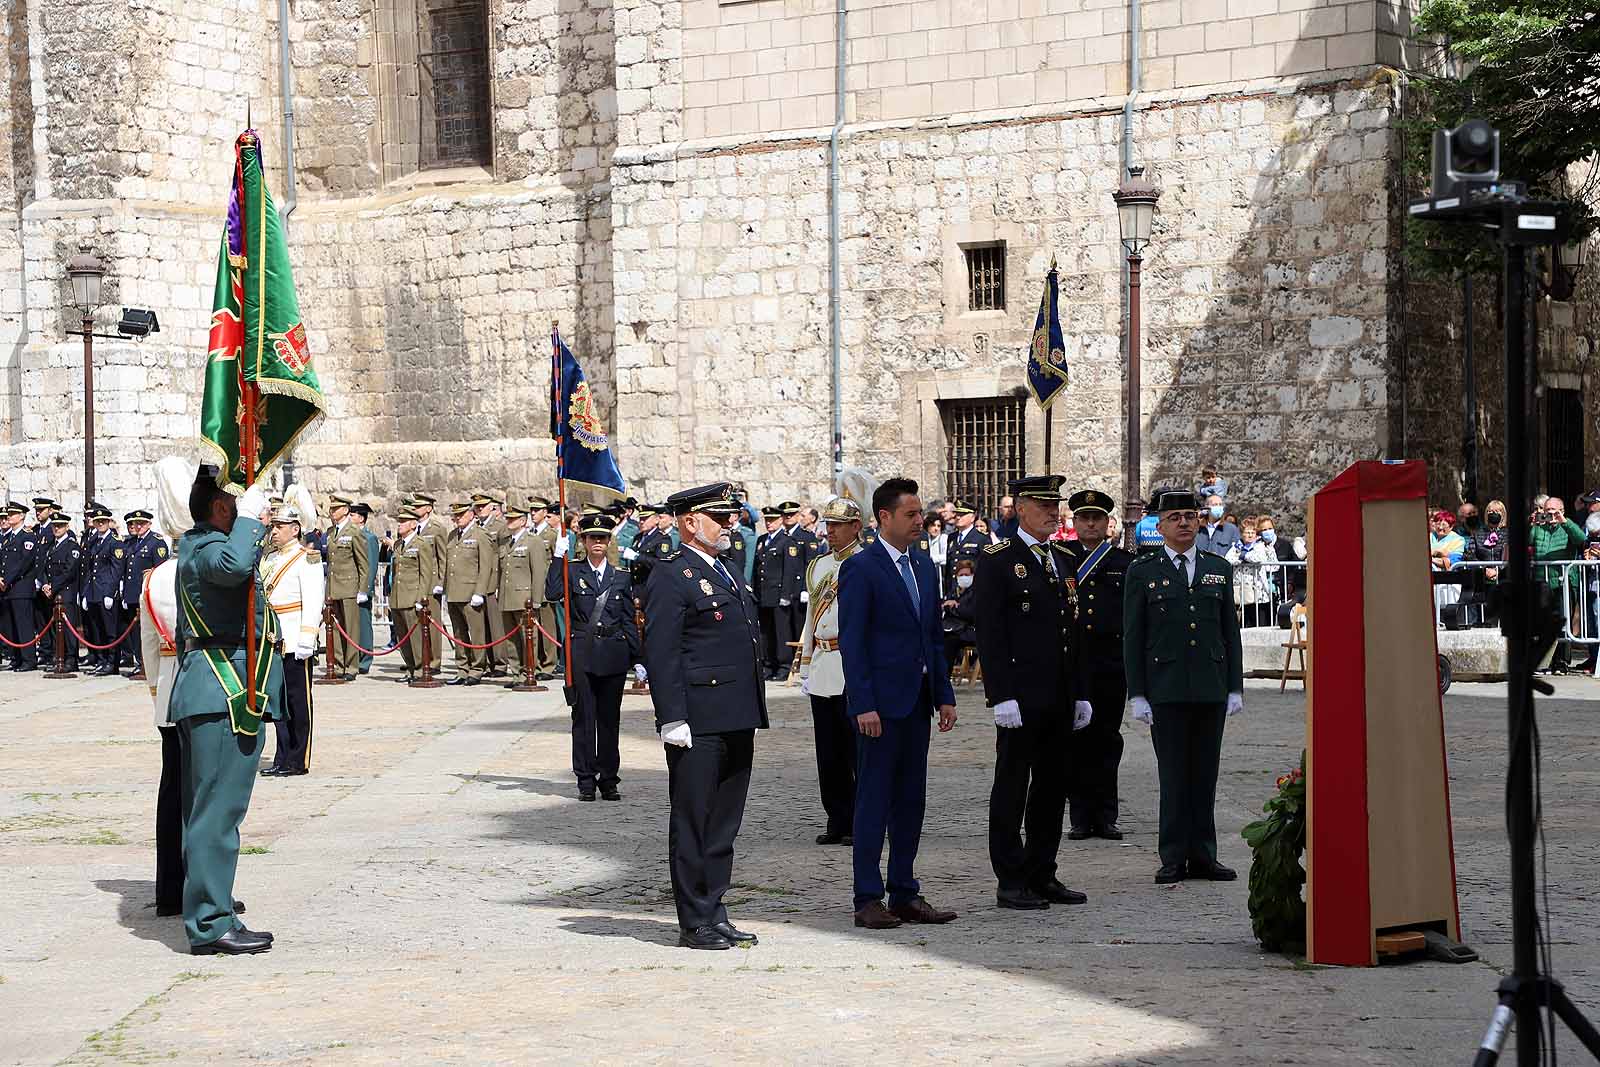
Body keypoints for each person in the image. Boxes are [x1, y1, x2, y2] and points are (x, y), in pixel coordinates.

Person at [645, 483, 767, 950]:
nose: (730, 523)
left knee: (723, 824)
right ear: (690, 522)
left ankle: (715, 909)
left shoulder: (729, 569)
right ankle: (692, 920)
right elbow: (662, 652)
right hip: (697, 718)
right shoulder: (671, 575)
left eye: (731, 516)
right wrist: (671, 717)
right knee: (694, 820)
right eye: (720, 516)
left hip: (736, 713)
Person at [838, 476, 959, 931]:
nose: (920, 521)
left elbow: (932, 637)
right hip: (880, 706)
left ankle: (904, 890)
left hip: (917, 702)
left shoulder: (925, 567)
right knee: (874, 799)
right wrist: (862, 703)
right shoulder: (862, 567)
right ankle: (867, 896)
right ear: (883, 518)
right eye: (910, 514)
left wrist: (943, 694)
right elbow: (853, 641)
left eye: (921, 514)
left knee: (911, 800)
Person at [169, 469, 281, 954]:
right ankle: (211, 924)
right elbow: (235, 565)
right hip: (221, 692)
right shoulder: (208, 548)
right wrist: (252, 518)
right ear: (220, 509)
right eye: (236, 505)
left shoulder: (198, 545)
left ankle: (211, 901)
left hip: (213, 690)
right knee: (218, 812)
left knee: (206, 811)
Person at [973, 475, 1092, 911]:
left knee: (1051, 786)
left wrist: (1080, 691)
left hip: (1058, 694)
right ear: (1020, 508)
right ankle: (1010, 878)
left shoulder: (1064, 555)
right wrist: (1000, 694)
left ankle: (1043, 871)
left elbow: (1073, 629)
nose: (1051, 511)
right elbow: (991, 632)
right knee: (1012, 786)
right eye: (1042, 505)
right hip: (1020, 697)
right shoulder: (998, 558)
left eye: (1054, 504)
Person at [1124, 489, 1244, 885]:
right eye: (1174, 517)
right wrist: (1137, 692)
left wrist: (1234, 687)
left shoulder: (1218, 568)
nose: (1183, 523)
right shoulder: (1143, 570)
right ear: (1159, 526)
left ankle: (1204, 855)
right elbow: (1133, 635)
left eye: (1190, 516)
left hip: (1209, 686)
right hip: (1166, 687)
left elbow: (1230, 632)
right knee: (1174, 775)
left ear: (1200, 522)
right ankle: (1174, 854)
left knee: (1205, 774)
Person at [547, 513, 641, 800]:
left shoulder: (621, 577)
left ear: (608, 541)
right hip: (583, 653)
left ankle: (609, 778)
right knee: (584, 719)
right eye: (592, 538)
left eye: (602, 538)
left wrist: (638, 659)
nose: (597, 543)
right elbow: (551, 594)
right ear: (584, 541)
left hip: (613, 652)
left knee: (609, 721)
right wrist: (556, 558)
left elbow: (628, 620)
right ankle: (586, 779)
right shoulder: (572, 572)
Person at [1061, 488, 1135, 842]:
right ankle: (1079, 816)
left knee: (1107, 739)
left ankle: (1106, 815)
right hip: (1073, 663)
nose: (1090, 523)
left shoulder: (1124, 563)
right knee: (1076, 740)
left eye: (1097, 518)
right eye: (1084, 518)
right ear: (1074, 523)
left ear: (1108, 523)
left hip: (1109, 663)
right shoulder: (1061, 557)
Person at [138, 458, 192, 918]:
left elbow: (148, 650)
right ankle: (201, 886)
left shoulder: (154, 577)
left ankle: (168, 890)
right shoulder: (204, 572)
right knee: (203, 796)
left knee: (170, 791)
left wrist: (159, 695)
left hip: (168, 694)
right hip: (205, 689)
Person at [798, 497, 864, 848]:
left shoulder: (866, 563)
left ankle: (860, 818)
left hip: (851, 663)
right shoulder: (818, 566)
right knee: (829, 751)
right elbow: (811, 621)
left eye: (838, 525)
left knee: (856, 749)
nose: (831, 531)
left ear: (856, 525)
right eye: (828, 524)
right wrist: (806, 665)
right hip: (824, 663)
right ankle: (836, 817)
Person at [259, 506, 323, 777]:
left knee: (298, 701)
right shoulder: (270, 558)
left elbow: (313, 600)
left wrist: (308, 637)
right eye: (272, 526)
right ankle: (282, 756)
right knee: (278, 703)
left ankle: (298, 759)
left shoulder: (306, 558)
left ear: (295, 529)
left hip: (295, 637)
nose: (273, 531)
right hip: (272, 638)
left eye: (280, 526)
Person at [444, 501, 495, 686]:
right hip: (454, 592)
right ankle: (462, 668)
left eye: (461, 515)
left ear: (471, 515)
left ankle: (477, 668)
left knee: (477, 633)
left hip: (471, 592)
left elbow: (486, 566)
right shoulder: (452, 536)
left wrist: (480, 591)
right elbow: (448, 564)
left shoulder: (481, 535)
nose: (457, 518)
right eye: (455, 515)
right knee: (458, 633)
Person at [388, 506, 438, 683]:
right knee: (403, 638)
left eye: (403, 522)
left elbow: (426, 573)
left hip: (412, 596)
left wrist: (421, 598)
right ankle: (410, 668)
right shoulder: (397, 544)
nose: (399, 524)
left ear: (413, 524)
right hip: (398, 598)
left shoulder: (421, 544)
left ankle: (420, 669)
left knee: (416, 638)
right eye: (399, 521)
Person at [323, 494, 368, 683]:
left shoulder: (354, 531)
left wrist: (362, 589)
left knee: (350, 629)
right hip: (334, 586)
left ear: (345, 510)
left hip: (349, 587)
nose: (332, 512)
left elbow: (363, 563)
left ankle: (351, 666)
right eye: (331, 509)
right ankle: (338, 663)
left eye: (336, 509)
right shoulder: (331, 531)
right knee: (335, 628)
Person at [120, 508, 169, 678]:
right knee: (134, 631)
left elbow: (160, 569)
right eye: (135, 524)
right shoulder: (131, 543)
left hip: (146, 593)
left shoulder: (156, 542)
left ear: (149, 524)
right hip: (132, 593)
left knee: (146, 631)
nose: (138, 526)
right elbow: (127, 570)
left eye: (141, 523)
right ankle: (139, 662)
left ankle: (147, 664)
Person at [0, 500, 40, 671]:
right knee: (11, 626)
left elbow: (23, 563)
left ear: (22, 516)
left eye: (13, 514)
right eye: (8, 514)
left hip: (21, 587)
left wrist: (6, 580)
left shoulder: (27, 536)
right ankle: (16, 658)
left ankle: (28, 659)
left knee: (23, 625)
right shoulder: (8, 537)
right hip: (7, 588)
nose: (9, 517)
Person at [84, 506, 123, 674]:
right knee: (97, 629)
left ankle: (112, 662)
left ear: (108, 522)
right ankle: (101, 660)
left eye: (103, 521)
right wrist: (85, 593)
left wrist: (110, 592)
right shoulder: (92, 542)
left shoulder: (115, 543)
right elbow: (88, 569)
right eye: (97, 521)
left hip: (106, 591)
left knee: (110, 630)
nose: (100, 524)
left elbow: (116, 570)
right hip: (93, 591)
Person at [474, 493, 509, 677]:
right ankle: (487, 661)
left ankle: (500, 663)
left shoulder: (500, 527)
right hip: (479, 581)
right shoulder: (475, 527)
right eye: (477, 507)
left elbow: (503, 556)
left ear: (492, 508)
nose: (479, 509)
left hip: (493, 579)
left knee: (496, 626)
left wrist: (500, 582)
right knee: (483, 625)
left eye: (483, 506)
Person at [40, 514, 82, 669]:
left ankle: (71, 658)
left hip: (65, 592)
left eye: (60, 526)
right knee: (55, 629)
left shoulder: (72, 546)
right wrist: (45, 584)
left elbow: (68, 571)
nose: (56, 528)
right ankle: (59, 656)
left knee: (68, 628)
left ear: (67, 527)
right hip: (52, 593)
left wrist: (52, 586)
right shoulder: (51, 546)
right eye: (54, 526)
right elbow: (44, 567)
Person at [1225, 517, 1277, 628]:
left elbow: (1258, 558)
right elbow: (1228, 558)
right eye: (1247, 532)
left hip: (1259, 591)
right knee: (1245, 622)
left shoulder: (1259, 545)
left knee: (1260, 622)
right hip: (1242, 590)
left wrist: (1243, 556)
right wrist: (1240, 558)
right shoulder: (1236, 546)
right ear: (1242, 534)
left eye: (1252, 532)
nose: (1250, 535)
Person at [754, 505, 785, 679]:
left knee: (780, 632)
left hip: (778, 593)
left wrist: (786, 594)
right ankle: (768, 663)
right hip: (763, 593)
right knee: (765, 632)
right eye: (766, 520)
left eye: (772, 520)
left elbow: (788, 570)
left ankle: (783, 665)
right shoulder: (762, 540)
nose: (768, 523)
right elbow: (757, 568)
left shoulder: (785, 540)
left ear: (780, 520)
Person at [350, 503, 381, 675]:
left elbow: (370, 566)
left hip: (361, 590)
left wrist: (365, 589)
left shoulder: (368, 538)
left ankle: (365, 659)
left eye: (352, 515)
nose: (350, 518)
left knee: (363, 625)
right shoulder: (352, 535)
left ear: (361, 518)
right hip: (349, 587)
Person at [940, 557, 978, 676]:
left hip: (970, 630)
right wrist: (949, 606)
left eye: (966, 574)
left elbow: (970, 613)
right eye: (961, 575)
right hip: (953, 627)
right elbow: (944, 605)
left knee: (950, 641)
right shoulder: (954, 591)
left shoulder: (976, 591)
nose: (963, 577)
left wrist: (954, 607)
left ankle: (944, 675)